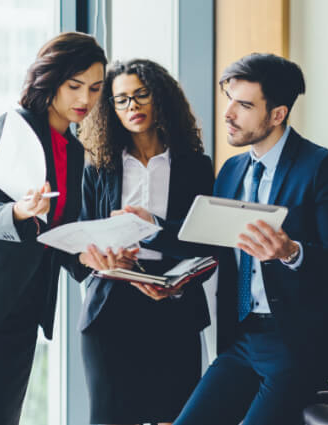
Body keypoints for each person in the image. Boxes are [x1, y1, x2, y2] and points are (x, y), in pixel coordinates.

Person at [168, 53, 328, 425]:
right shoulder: (232, 170)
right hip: (242, 337)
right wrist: (151, 233)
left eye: (243, 105)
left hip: (298, 341)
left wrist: (292, 252)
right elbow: (208, 241)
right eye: (230, 100)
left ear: (277, 114)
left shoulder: (323, 168)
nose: (228, 114)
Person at [0, 32, 108, 425]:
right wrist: (18, 210)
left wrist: (93, 257)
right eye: (74, 86)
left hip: (20, 309)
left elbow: (56, 234)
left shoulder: (74, 150)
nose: (85, 100)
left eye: (95, 88)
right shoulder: (13, 127)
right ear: (51, 80)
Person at [77, 58, 215, 425]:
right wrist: (99, 258)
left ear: (161, 98)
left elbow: (206, 245)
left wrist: (155, 229)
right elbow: (82, 239)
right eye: (121, 100)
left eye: (141, 95)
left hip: (175, 307)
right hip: (112, 309)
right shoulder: (99, 167)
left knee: (176, 417)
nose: (132, 106)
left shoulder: (196, 166)